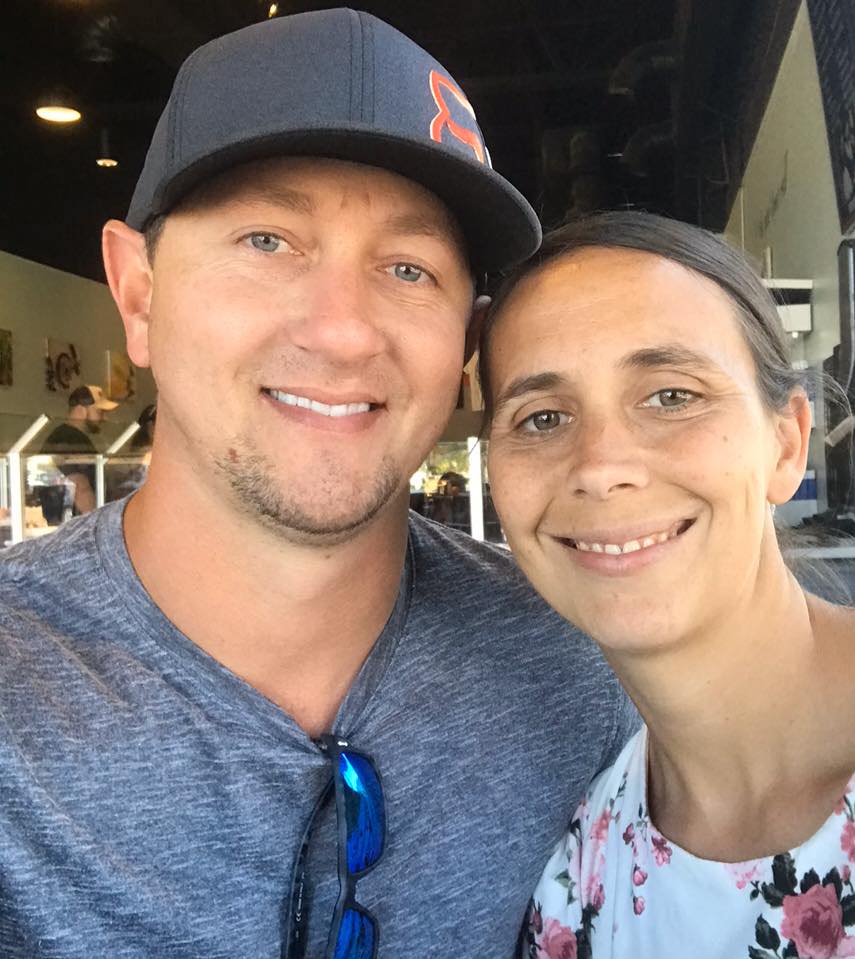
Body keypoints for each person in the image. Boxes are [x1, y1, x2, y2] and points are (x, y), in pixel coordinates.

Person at [0, 12, 635, 959]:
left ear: (465, 343)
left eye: (410, 268)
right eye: (267, 241)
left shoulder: (573, 671)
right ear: (138, 293)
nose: (342, 330)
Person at [480, 212, 855, 957]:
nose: (601, 467)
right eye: (542, 418)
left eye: (671, 396)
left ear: (786, 443)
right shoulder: (576, 880)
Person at [41, 383, 119, 514]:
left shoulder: (74, 437)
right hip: (73, 518)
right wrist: (94, 520)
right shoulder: (68, 439)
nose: (105, 418)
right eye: (100, 412)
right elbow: (79, 486)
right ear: (81, 410)